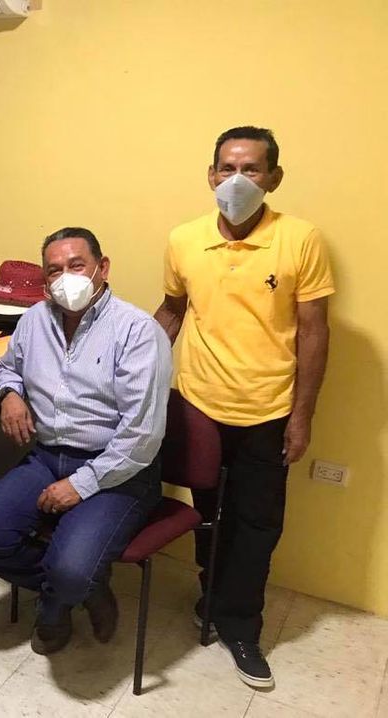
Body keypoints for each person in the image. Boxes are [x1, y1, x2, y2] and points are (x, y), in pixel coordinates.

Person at [154, 126, 334, 688]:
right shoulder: (184, 239)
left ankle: (241, 628)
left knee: (257, 524)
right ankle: (210, 599)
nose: (237, 179)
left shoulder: (300, 239)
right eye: (227, 168)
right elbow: (171, 311)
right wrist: (129, 373)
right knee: (209, 514)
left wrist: (302, 415)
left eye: (251, 169)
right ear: (210, 175)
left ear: (273, 178)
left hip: (268, 409)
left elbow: (315, 331)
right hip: (200, 405)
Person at [0, 227, 171, 655]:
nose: (66, 278)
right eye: (54, 270)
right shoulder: (34, 320)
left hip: (120, 470)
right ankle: (80, 588)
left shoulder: (137, 331)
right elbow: (7, 367)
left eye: (77, 265)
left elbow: (141, 436)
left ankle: (61, 600)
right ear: (45, 280)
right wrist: (10, 394)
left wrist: (80, 484)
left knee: (72, 569)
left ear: (102, 268)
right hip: (47, 457)